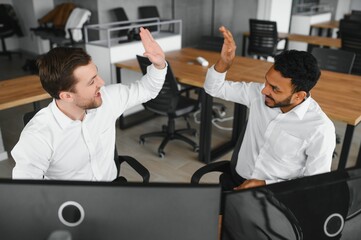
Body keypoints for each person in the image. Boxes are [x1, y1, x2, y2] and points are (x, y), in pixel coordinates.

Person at [11, 27, 167, 181]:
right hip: (74, 204)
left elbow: (147, 89)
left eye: (96, 74)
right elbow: (27, 192)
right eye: (92, 81)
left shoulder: (107, 98)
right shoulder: (38, 136)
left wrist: (159, 65)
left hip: (113, 188)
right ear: (66, 96)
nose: (102, 82)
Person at [204, 26, 336, 190]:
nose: (264, 90)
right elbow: (213, 88)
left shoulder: (320, 129)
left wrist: (265, 183)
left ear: (299, 96)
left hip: (277, 194)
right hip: (236, 179)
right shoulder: (258, 94)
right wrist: (224, 62)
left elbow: (314, 185)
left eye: (275, 89)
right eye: (266, 81)